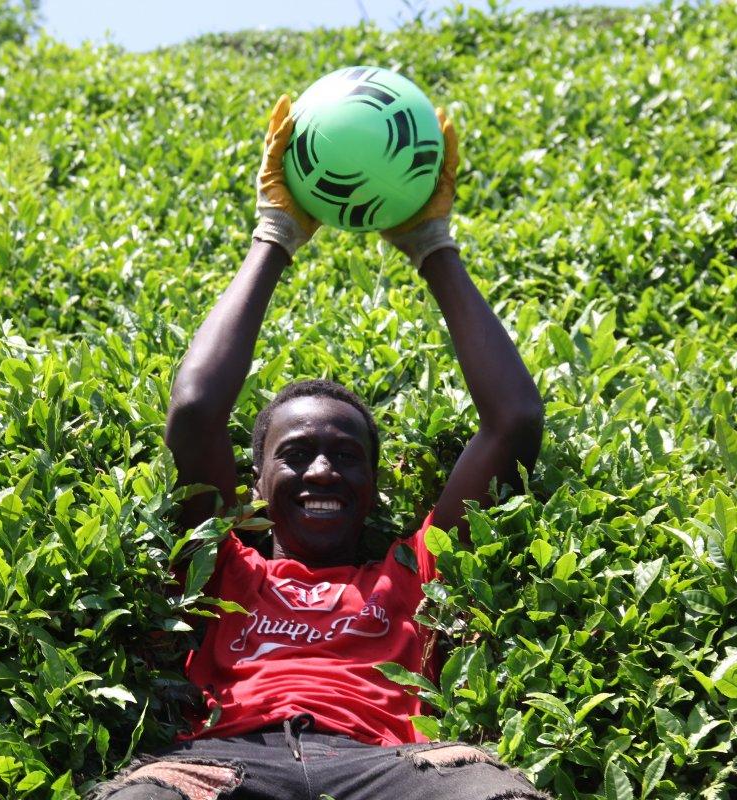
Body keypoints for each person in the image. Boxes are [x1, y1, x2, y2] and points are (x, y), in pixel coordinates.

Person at [91, 95, 546, 800]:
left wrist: (434, 246)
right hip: (226, 765)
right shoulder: (222, 563)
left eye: (346, 455)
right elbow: (194, 412)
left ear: (373, 484)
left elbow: (512, 420)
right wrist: (273, 236)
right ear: (256, 477)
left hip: (389, 769)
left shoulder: (411, 571)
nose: (323, 469)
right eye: (296, 454)